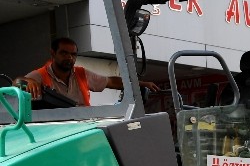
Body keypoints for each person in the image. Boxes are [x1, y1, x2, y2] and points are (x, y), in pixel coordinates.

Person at [14, 37, 158, 106]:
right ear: (53, 53)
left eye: (73, 54)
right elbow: (15, 84)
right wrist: (27, 81)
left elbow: (112, 82)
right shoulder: (39, 75)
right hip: (56, 129)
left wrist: (142, 83)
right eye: (64, 53)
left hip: (84, 126)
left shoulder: (82, 74)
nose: (69, 58)